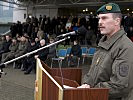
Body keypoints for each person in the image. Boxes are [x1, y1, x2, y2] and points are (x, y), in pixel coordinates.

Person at [78, 3, 133, 100]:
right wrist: (87, 83)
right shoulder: (103, 43)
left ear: (117, 21)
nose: (99, 22)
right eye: (99, 18)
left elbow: (120, 86)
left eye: (104, 18)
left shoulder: (125, 46)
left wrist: (92, 90)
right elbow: (92, 72)